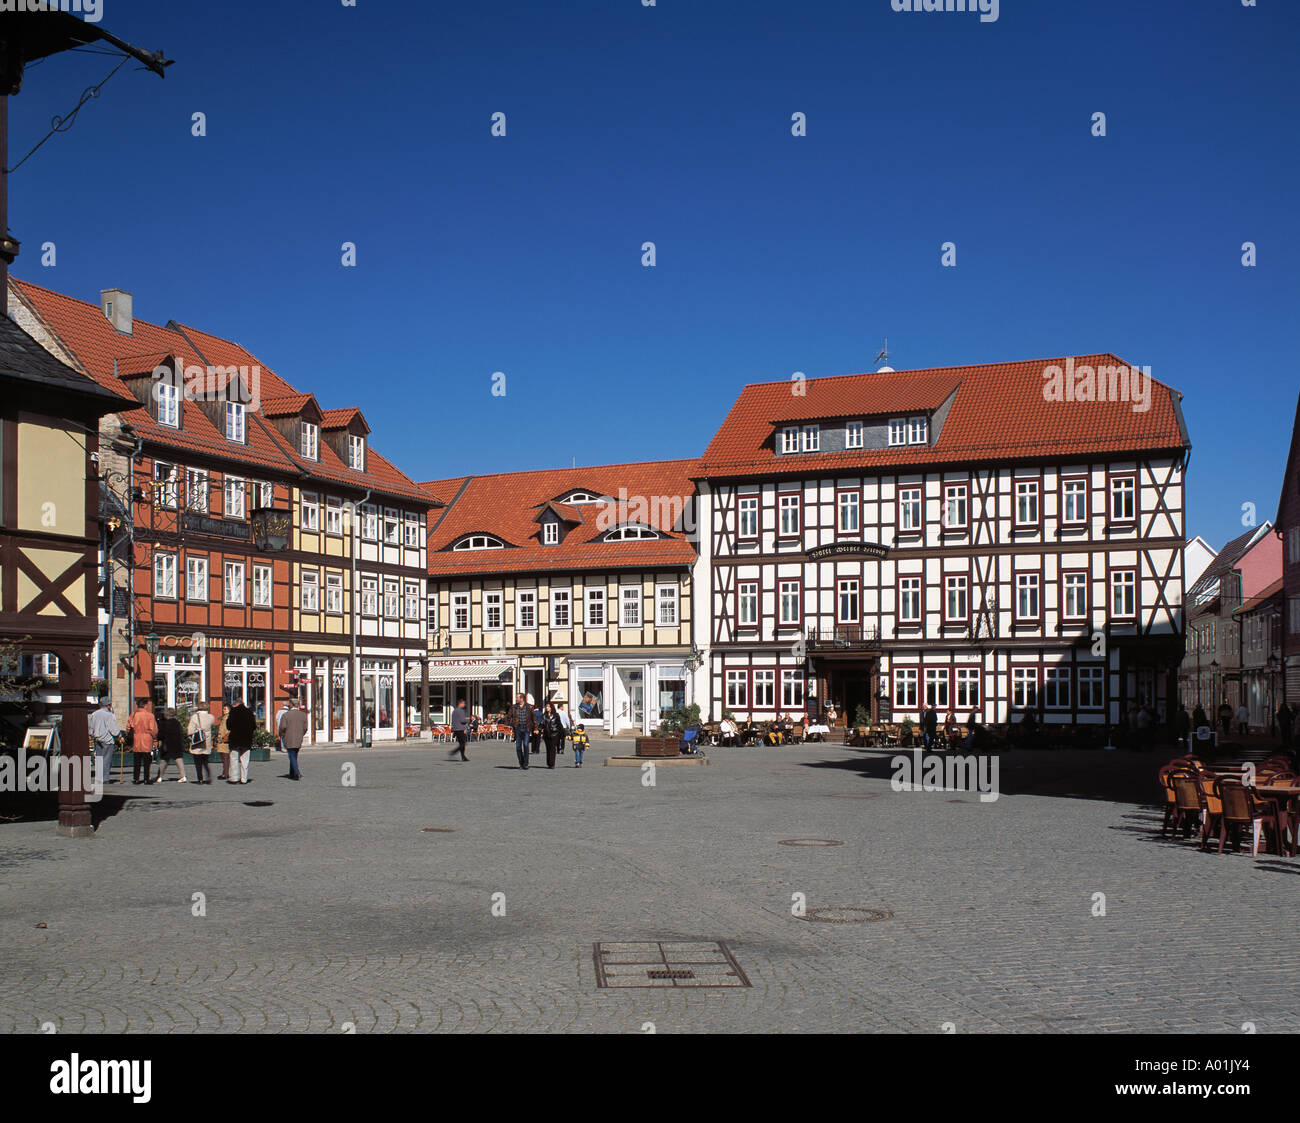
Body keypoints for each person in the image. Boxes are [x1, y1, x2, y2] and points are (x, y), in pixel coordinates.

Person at [88, 698, 122, 786]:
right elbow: (113, 729)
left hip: (97, 738)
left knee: (99, 759)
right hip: (107, 739)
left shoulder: (94, 714)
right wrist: (119, 736)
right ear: (108, 705)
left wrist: (92, 734)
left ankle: (98, 778)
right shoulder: (109, 715)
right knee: (107, 759)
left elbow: (91, 728)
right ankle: (105, 778)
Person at [126, 698, 157, 785]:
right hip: (147, 739)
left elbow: (128, 727)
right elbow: (153, 729)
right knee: (147, 762)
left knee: (137, 761)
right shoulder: (150, 716)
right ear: (145, 705)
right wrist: (154, 737)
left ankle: (136, 778)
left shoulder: (133, 715)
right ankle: (146, 778)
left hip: (136, 739)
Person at [226, 698, 256, 784]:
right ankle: (244, 778)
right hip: (246, 739)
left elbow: (229, 725)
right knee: (245, 760)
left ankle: (234, 778)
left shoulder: (233, 711)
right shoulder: (249, 711)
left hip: (235, 739)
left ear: (235, 704)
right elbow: (254, 726)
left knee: (234, 759)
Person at [154, 707, 188, 783]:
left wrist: (158, 737)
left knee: (163, 761)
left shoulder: (164, 723)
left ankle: (160, 776)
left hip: (167, 744)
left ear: (166, 715)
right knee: (178, 760)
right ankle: (183, 776)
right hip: (177, 744)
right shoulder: (177, 722)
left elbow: (161, 735)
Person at [187, 702, 215, 784]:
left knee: (198, 762)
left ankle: (200, 779)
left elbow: (190, 730)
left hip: (198, 740)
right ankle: (208, 775)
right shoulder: (211, 717)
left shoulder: (195, 717)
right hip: (206, 741)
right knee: (205, 761)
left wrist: (190, 737)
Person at [279, 701, 308, 780]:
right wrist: (301, 734)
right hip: (298, 738)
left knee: (291, 755)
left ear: (291, 705)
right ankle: (292, 773)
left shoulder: (286, 715)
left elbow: (282, 727)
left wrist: (281, 735)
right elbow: (305, 728)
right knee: (294, 755)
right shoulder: (303, 715)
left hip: (289, 737)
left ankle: (296, 772)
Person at [507, 693, 536, 770]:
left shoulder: (529, 707)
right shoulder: (513, 707)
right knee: (518, 747)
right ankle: (521, 763)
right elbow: (509, 717)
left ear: (522, 699)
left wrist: (535, 728)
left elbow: (534, 718)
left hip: (526, 728)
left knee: (526, 745)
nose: (516, 699)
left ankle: (526, 763)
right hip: (518, 728)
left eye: (517, 697)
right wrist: (512, 724)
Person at [542, 702, 564, 769]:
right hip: (546, 734)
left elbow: (559, 724)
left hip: (555, 734)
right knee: (548, 749)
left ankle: (552, 764)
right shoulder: (544, 715)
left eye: (548, 706)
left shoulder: (556, 715)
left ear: (551, 707)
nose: (547, 708)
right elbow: (542, 724)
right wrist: (538, 729)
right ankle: (549, 763)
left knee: (553, 748)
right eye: (546, 706)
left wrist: (562, 733)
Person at [215, 708, 232, 781]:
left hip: (224, 740)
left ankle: (225, 773)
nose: (223, 710)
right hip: (222, 740)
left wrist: (223, 737)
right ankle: (225, 772)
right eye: (223, 709)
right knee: (224, 757)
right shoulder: (224, 717)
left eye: (225, 709)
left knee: (225, 758)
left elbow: (227, 730)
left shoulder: (227, 718)